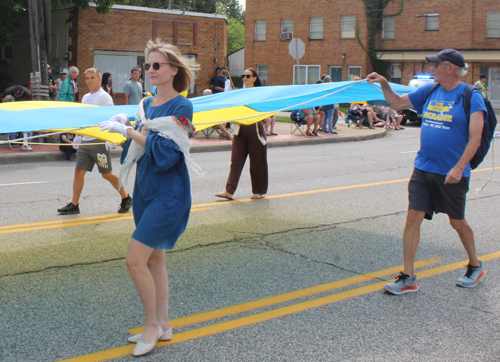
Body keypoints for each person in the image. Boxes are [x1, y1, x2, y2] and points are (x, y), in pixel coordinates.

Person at [99, 39, 199, 357]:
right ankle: (164, 323)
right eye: (147, 65)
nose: (151, 70)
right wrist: (117, 133)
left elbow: (168, 153)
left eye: (157, 65)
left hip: (169, 194)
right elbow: (140, 146)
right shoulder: (145, 105)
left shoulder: (182, 106)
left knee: (135, 260)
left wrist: (129, 132)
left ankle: (151, 325)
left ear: (173, 70)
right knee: (155, 259)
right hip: (144, 191)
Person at [366, 49, 487, 295]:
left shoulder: (470, 95)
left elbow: (475, 138)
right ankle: (408, 276)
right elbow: (398, 103)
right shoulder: (430, 90)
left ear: (450, 68)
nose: (431, 69)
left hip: (452, 172)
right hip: (424, 167)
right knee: (413, 217)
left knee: (457, 222)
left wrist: (459, 167)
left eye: (435, 65)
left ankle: (475, 265)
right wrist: (385, 84)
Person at [57, 67, 132, 215]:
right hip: (86, 141)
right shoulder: (85, 98)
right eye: (87, 78)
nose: (89, 81)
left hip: (99, 142)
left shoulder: (104, 97)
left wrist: (110, 140)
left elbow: (113, 119)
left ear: (99, 79)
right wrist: (78, 138)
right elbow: (84, 121)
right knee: (79, 172)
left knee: (106, 174)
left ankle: (126, 198)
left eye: (92, 78)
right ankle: (74, 204)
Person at [216, 68, 268, 200]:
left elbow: (264, 109)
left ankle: (259, 191)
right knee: (236, 161)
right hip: (240, 129)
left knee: (257, 162)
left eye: (248, 76)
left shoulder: (259, 93)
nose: (245, 78)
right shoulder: (240, 92)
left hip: (255, 128)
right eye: (243, 76)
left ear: (255, 78)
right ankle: (229, 191)